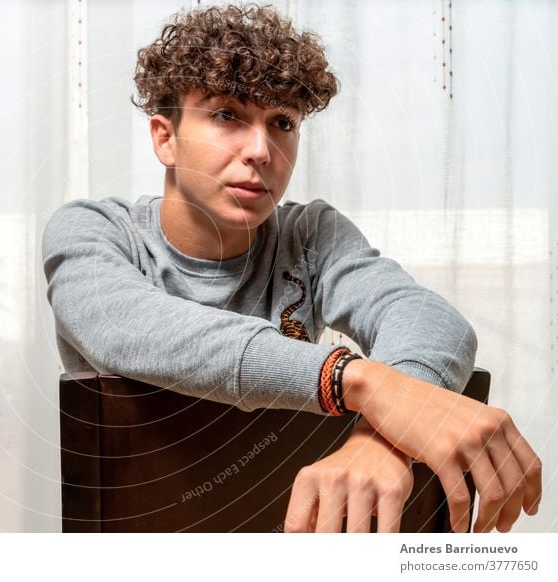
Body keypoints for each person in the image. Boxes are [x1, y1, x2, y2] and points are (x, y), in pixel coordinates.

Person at [42, 3, 541, 533]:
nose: (261, 150)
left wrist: (382, 440)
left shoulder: (311, 234)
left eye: (282, 123)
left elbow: (426, 318)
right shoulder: (93, 231)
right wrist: (358, 380)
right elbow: (126, 326)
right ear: (165, 137)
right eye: (227, 115)